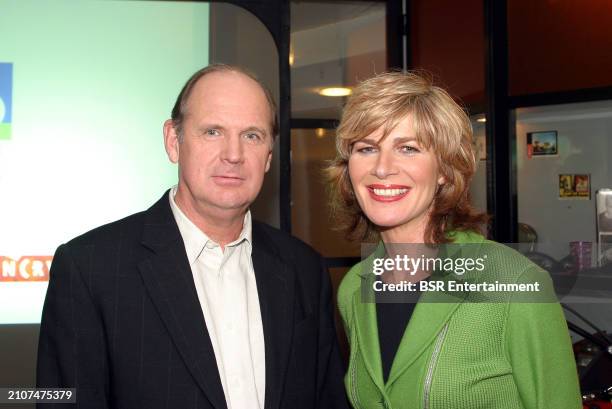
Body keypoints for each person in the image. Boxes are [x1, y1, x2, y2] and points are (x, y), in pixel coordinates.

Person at [37, 64, 348, 409]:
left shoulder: (304, 269)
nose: (233, 154)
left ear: (268, 157)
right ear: (174, 141)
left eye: (252, 136)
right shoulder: (90, 269)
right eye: (213, 131)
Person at [327, 71, 582, 409]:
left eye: (408, 148)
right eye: (366, 148)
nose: (383, 167)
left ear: (445, 169)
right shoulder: (353, 289)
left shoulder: (512, 282)